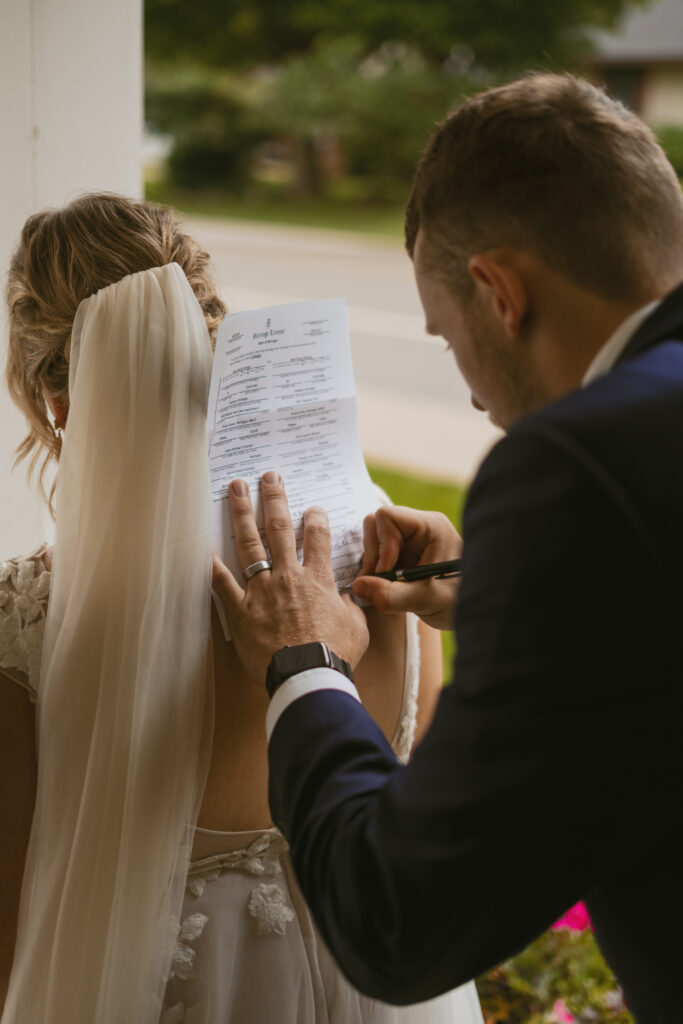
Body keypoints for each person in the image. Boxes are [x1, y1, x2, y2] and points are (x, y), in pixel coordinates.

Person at [211, 73, 683, 1023]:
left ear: (498, 291)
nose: (470, 391)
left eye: (444, 337)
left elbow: (402, 919)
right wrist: (513, 591)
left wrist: (301, 661)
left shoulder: (573, 467)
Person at [0, 193, 483, 1023]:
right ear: (215, 346)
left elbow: (11, 941)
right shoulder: (393, 573)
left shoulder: (23, 629)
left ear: (55, 399)